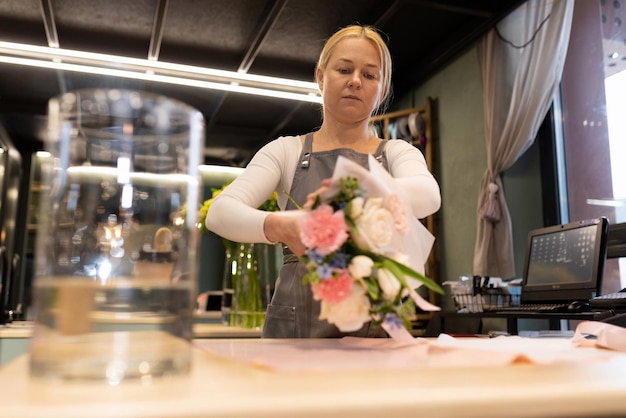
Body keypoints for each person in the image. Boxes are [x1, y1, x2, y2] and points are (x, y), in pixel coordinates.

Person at [206, 24, 441, 338]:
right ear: (320, 77)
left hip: (373, 339)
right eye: (344, 69)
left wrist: (350, 195)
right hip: (293, 335)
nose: (355, 81)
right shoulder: (286, 151)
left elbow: (428, 195)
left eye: (370, 75)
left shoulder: (398, 152)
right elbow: (220, 213)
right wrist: (282, 226)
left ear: (381, 90)